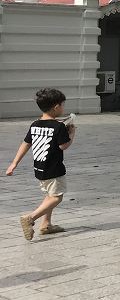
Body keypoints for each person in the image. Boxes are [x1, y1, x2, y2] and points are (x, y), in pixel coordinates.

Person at [6, 88, 76, 241]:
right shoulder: (58, 126)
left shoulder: (35, 124)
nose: (63, 108)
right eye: (62, 105)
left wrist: (14, 163)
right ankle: (30, 218)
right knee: (56, 197)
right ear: (56, 107)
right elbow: (63, 146)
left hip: (39, 168)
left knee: (49, 195)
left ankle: (46, 225)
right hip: (54, 169)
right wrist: (71, 133)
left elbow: (26, 143)